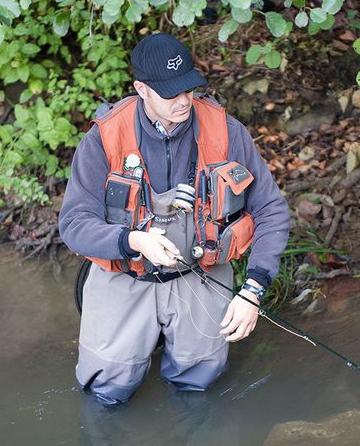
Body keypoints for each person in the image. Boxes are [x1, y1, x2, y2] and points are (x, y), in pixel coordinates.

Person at [58, 32, 290, 406]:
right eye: (171, 93)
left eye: (190, 89)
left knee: (200, 383)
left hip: (200, 274)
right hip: (126, 274)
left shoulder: (226, 131)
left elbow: (270, 209)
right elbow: (73, 224)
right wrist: (133, 240)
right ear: (141, 89)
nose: (184, 101)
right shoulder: (104, 139)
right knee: (108, 389)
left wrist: (253, 291)